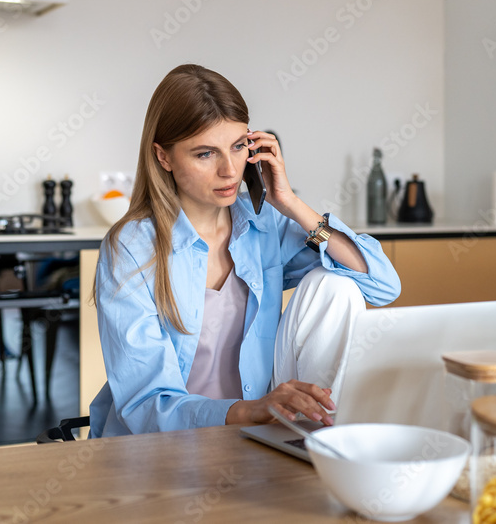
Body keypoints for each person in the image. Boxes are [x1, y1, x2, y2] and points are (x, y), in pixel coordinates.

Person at [89, 64, 400, 437]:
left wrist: (290, 204)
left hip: (255, 432)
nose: (230, 170)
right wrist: (249, 410)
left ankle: (321, 434)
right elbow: (146, 407)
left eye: (238, 147)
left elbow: (381, 285)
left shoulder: (263, 225)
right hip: (164, 447)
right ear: (164, 157)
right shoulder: (132, 248)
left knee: (336, 285)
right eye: (205, 154)